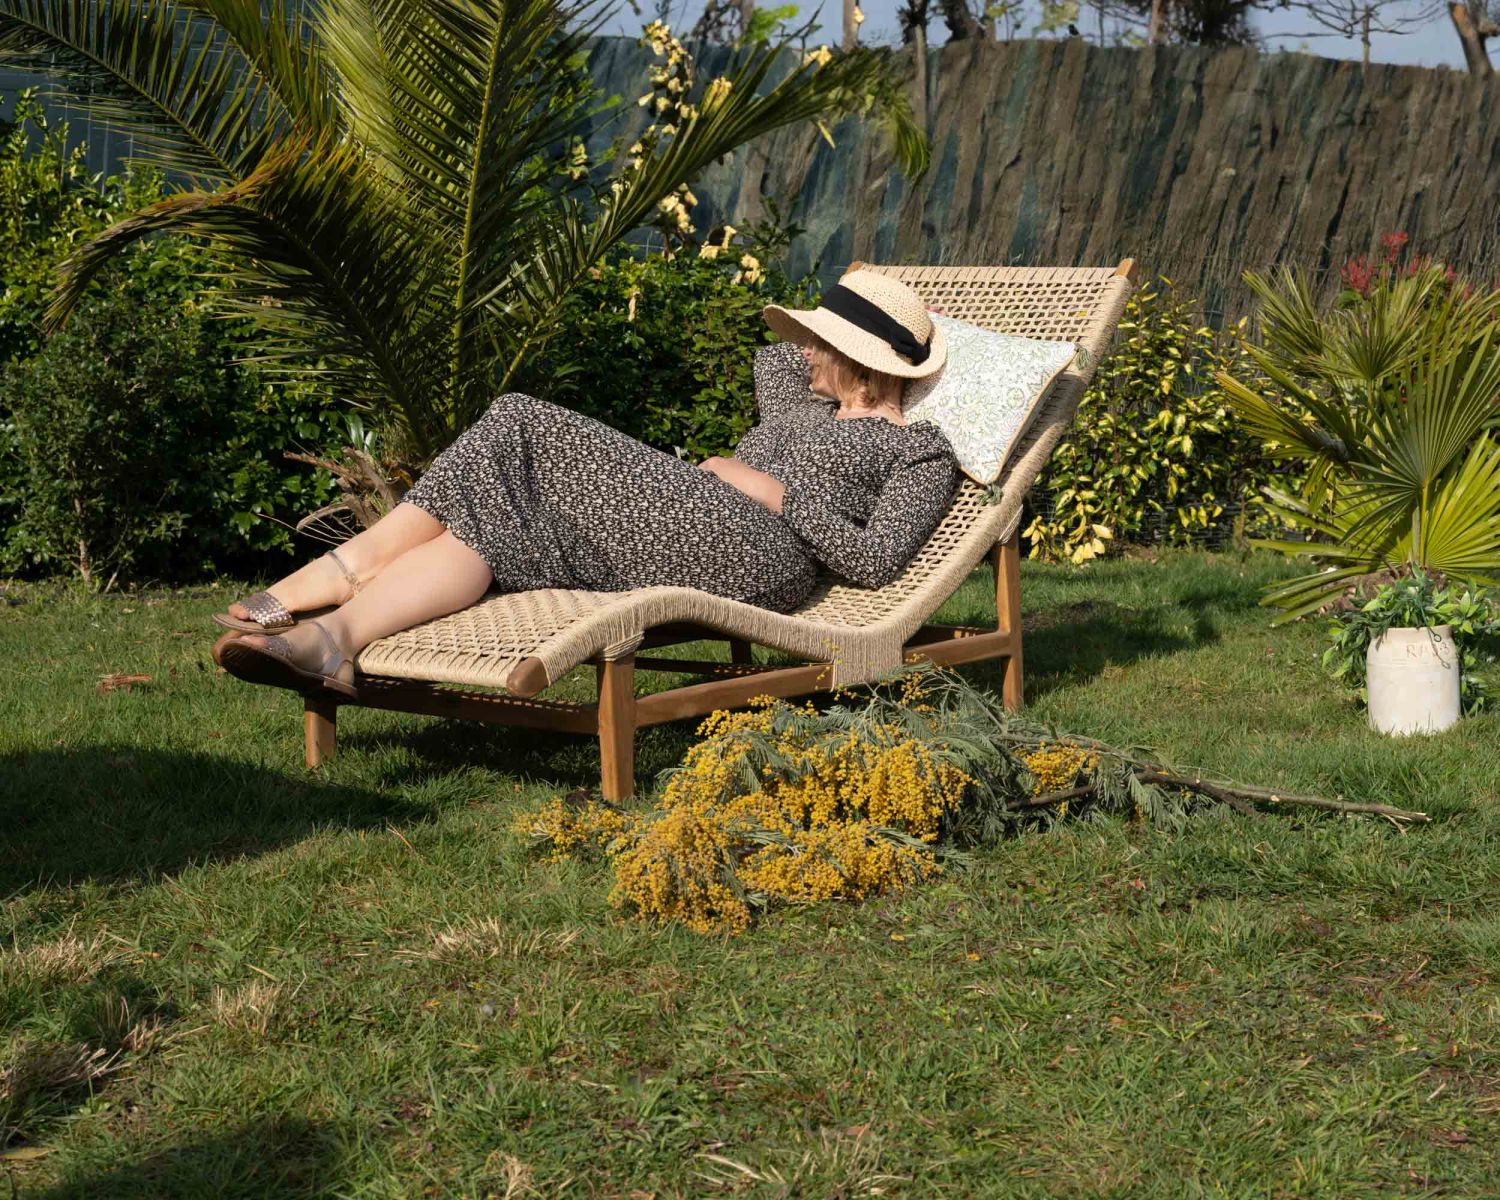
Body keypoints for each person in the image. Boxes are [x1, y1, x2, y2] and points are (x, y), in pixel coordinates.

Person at [215, 269, 959, 696]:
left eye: (818, 342)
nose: (801, 353)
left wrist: (773, 493)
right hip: (696, 519)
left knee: (520, 421)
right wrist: (839, 369)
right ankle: (332, 641)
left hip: (765, 555)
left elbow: (876, 560)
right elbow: (773, 357)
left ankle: (350, 566)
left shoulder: (919, 449)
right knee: (499, 522)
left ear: (857, 355)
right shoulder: (805, 400)